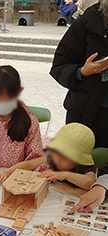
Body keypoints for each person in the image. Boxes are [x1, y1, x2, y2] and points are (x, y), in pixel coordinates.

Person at [51, 1, 108, 148]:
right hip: (88, 115)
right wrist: (82, 71)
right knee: (80, 167)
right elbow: (59, 66)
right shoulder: (90, 21)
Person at [0, 123, 97, 190]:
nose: (58, 160)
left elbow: (90, 183)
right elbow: (29, 164)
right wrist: (7, 172)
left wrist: (65, 175)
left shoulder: (86, 168)